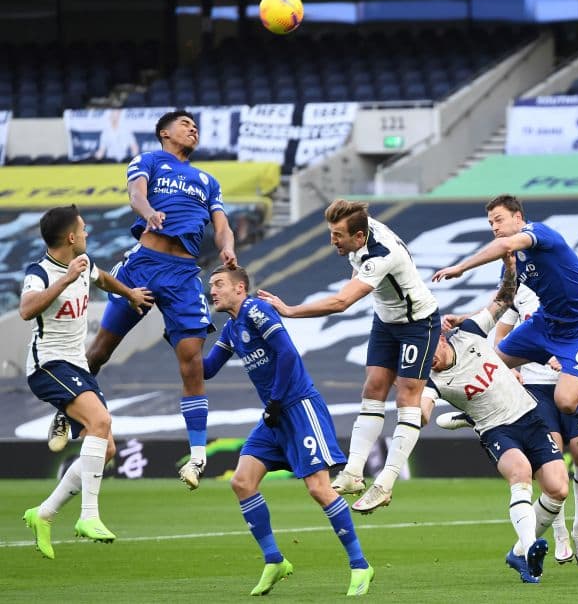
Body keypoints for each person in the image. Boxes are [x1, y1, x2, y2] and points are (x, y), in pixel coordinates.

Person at [61, 110, 237, 492]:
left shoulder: (208, 181)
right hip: (142, 266)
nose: (193, 128)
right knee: (100, 351)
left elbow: (221, 226)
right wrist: (149, 212)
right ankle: (66, 405)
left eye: (195, 125)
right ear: (164, 133)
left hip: (184, 275)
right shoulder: (149, 160)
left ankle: (197, 456)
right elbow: (136, 194)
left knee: (192, 361)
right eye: (185, 124)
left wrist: (227, 247)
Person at [257, 199, 440, 514]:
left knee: (407, 398)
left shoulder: (381, 254)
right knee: (373, 388)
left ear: (358, 236)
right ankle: (354, 473)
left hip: (417, 323)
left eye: (338, 235)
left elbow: (341, 303)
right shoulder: (360, 234)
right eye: (331, 233)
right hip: (386, 320)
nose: (332, 241)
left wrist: (290, 310)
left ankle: (385, 484)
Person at [203, 265, 374, 596]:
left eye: (219, 284)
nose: (212, 290)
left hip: (297, 406)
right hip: (274, 414)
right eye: (211, 285)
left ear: (239, 288)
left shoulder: (256, 309)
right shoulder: (231, 328)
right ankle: (274, 560)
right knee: (242, 482)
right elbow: (207, 369)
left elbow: (287, 353)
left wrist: (277, 400)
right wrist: (183, 338)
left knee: (319, 488)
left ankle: (360, 565)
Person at [423, 260, 567, 584]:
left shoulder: (470, 332)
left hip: (529, 416)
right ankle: (530, 551)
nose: (428, 358)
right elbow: (422, 410)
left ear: (443, 338)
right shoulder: (432, 380)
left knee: (558, 489)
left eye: (430, 349)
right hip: (497, 430)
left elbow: (504, 298)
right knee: (521, 472)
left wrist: (509, 263)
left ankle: (518, 553)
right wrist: (413, 412)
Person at [20, 205, 152, 558]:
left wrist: (130, 294)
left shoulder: (84, 263)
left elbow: (102, 278)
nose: (87, 233)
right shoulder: (39, 272)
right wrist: (65, 280)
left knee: (106, 449)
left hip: (76, 366)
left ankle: (43, 513)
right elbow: (26, 309)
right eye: (82, 229)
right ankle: (88, 516)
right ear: (70, 237)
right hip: (48, 365)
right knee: (101, 421)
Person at [431, 194, 578, 448]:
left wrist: (461, 267)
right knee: (489, 364)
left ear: (518, 217)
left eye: (498, 220)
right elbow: (503, 301)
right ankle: (474, 414)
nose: (494, 227)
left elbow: (505, 245)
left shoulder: (539, 233)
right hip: (544, 324)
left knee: (566, 402)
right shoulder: (512, 262)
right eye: (490, 223)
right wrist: (463, 318)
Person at [493, 282, 578, 567]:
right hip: (536, 387)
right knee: (552, 460)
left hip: (572, 384)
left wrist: (572, 362)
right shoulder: (520, 293)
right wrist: (512, 370)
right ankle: (560, 533)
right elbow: (499, 336)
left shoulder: (574, 291)